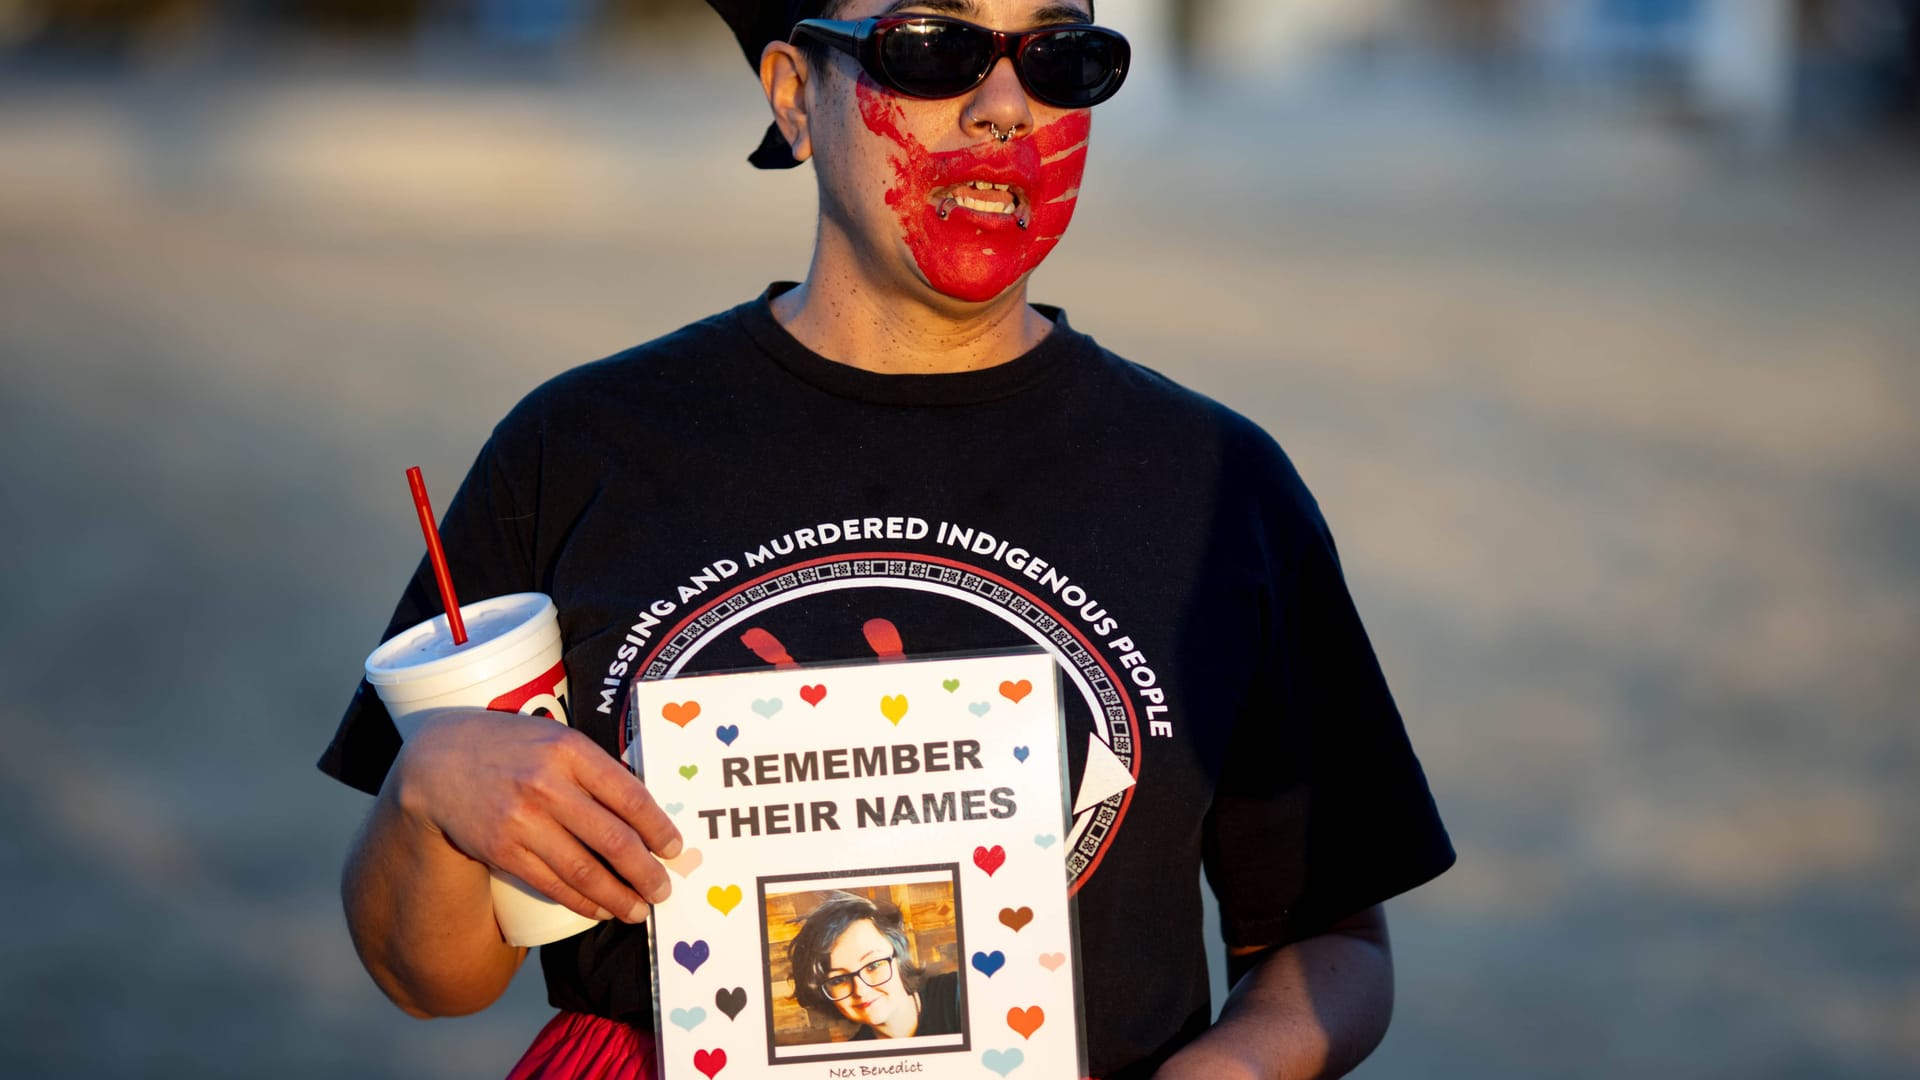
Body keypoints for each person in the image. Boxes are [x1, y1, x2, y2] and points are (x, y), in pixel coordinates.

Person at [318, 1, 1456, 1078]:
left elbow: (1329, 936)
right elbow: (430, 978)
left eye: (1059, 56)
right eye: (931, 46)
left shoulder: (1217, 484)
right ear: (793, 94)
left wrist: (1230, 1067)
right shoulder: (583, 447)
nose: (1006, 102)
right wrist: (427, 790)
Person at [784, 891, 962, 1042]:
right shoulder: (850, 1062)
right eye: (838, 980)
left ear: (898, 957)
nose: (861, 990)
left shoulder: (961, 995)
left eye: (873, 965)